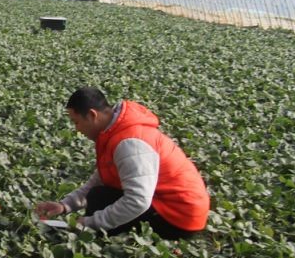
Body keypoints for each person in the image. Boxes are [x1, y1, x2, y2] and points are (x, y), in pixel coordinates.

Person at [35, 87, 209, 239]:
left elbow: (138, 200)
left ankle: (96, 242)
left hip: (178, 217)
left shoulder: (129, 143)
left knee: (99, 199)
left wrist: (90, 223)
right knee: (98, 194)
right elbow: (100, 180)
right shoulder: (115, 133)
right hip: (168, 206)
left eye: (77, 122)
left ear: (92, 115)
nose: (77, 129)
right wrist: (64, 206)